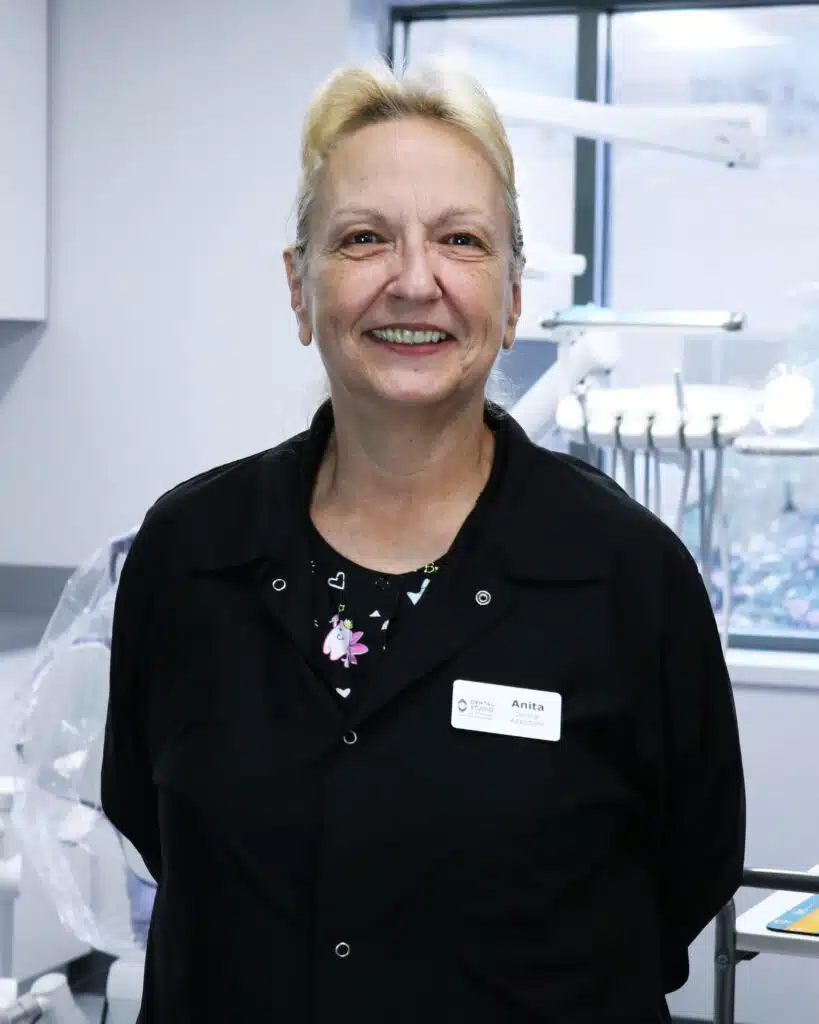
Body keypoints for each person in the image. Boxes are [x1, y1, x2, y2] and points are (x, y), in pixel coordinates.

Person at [101, 57, 745, 1024]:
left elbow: (686, 873)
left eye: (460, 240)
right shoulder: (189, 553)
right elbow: (151, 823)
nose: (414, 281)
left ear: (512, 294)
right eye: (363, 239)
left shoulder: (628, 575)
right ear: (298, 285)